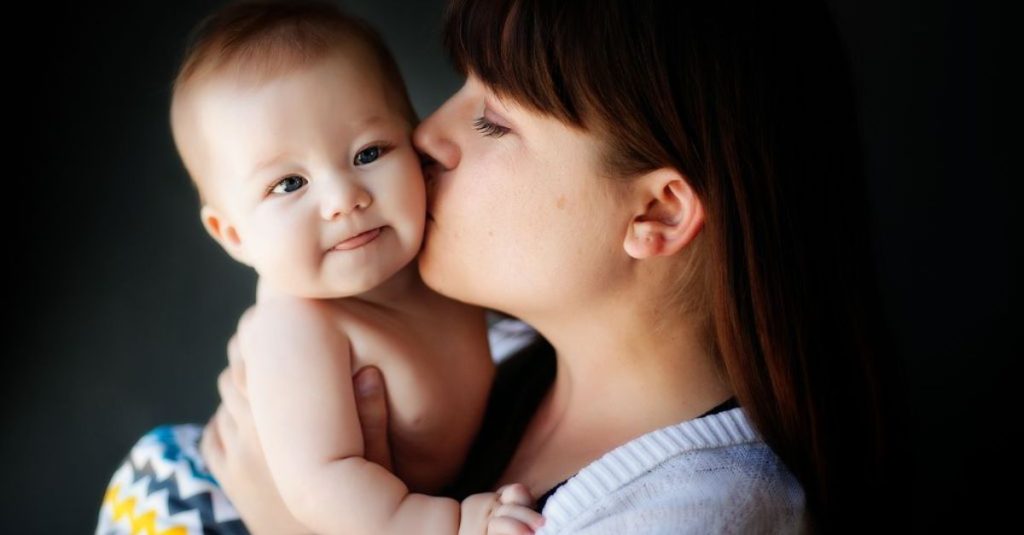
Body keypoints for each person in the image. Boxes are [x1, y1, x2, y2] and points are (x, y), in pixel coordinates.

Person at [106, 0, 906, 533]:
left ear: (656, 212)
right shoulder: (504, 362)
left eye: (492, 119)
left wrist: (285, 520)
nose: (425, 136)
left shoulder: (700, 511)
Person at [96, 1, 546, 534]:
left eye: (369, 153)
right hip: (206, 509)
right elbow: (323, 487)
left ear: (415, 144)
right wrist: (450, 525)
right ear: (234, 234)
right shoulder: (299, 327)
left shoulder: (451, 265)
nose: (343, 198)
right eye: (289, 184)